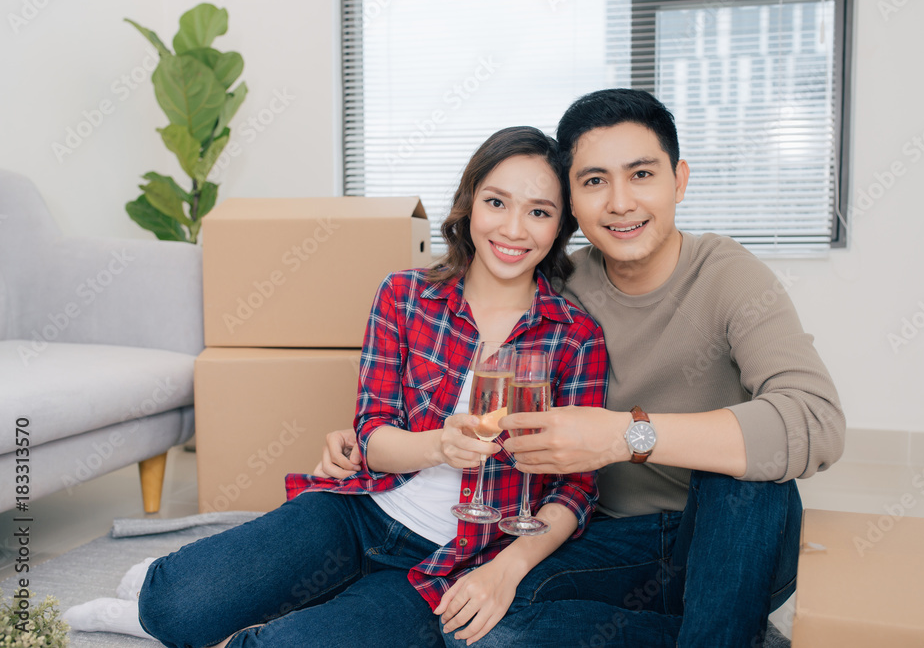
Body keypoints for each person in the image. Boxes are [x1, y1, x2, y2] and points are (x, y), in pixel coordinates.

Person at [320, 89, 846, 647]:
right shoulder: (560, 290)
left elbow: (816, 422)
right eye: (595, 181)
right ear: (571, 201)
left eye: (642, 174)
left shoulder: (732, 278)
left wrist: (627, 435)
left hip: (724, 533)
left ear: (679, 181)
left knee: (744, 473)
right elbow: (461, 347)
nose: (620, 203)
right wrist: (364, 438)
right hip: (612, 542)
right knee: (480, 625)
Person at [66, 127, 608, 648]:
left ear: (560, 228)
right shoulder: (404, 296)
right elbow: (370, 433)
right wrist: (439, 445)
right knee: (170, 604)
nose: (514, 228)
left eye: (539, 212)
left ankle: (266, 617)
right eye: (497, 202)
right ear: (469, 207)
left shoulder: (576, 336)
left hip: (454, 561)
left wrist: (508, 570)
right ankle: (202, 605)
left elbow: (577, 489)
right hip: (360, 512)